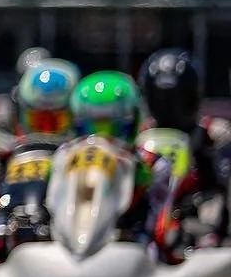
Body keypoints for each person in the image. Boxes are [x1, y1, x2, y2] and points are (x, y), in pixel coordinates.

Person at [69, 71, 179, 259]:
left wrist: (141, 178)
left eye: (112, 126)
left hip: (133, 251)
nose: (102, 136)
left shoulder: (153, 163)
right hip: (73, 238)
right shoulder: (65, 156)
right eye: (92, 127)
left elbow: (161, 221)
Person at [138, 48, 228, 243]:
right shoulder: (140, 136)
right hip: (149, 207)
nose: (172, 109)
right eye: (163, 101)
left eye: (180, 100)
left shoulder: (215, 133)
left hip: (198, 210)